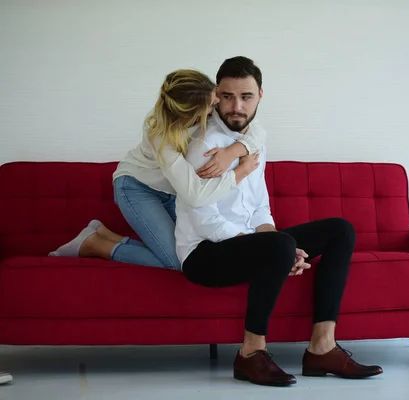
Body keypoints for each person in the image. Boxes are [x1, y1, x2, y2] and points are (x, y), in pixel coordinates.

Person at [176, 56, 383, 387]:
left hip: (248, 244)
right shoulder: (203, 145)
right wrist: (272, 248)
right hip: (204, 254)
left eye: (246, 97)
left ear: (260, 95)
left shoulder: (254, 140)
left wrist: (274, 242)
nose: (236, 107)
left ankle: (322, 347)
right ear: (216, 94)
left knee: (339, 231)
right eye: (228, 96)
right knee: (279, 245)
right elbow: (204, 220)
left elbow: (259, 205)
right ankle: (250, 354)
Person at [49, 69, 266, 269]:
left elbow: (255, 129)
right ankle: (95, 244)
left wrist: (235, 151)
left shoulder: (207, 105)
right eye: (212, 105)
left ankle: (105, 234)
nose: (220, 105)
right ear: (192, 115)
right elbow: (196, 196)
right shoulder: (161, 139)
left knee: (191, 246)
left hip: (172, 192)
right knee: (179, 262)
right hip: (137, 189)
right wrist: (240, 172)